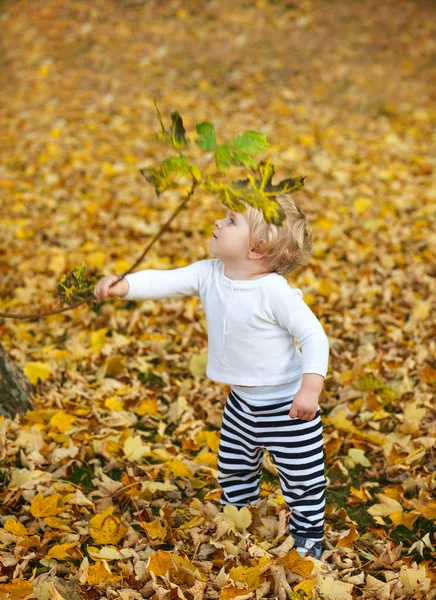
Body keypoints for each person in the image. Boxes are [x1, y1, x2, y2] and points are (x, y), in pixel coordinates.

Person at [94, 191, 329, 559]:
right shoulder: (208, 274)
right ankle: (238, 518)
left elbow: (314, 336)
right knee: (234, 469)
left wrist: (310, 388)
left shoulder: (273, 292)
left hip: (288, 408)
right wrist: (123, 286)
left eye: (232, 221)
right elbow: (164, 281)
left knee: (303, 479)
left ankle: (309, 533)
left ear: (257, 247)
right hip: (241, 405)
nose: (218, 222)